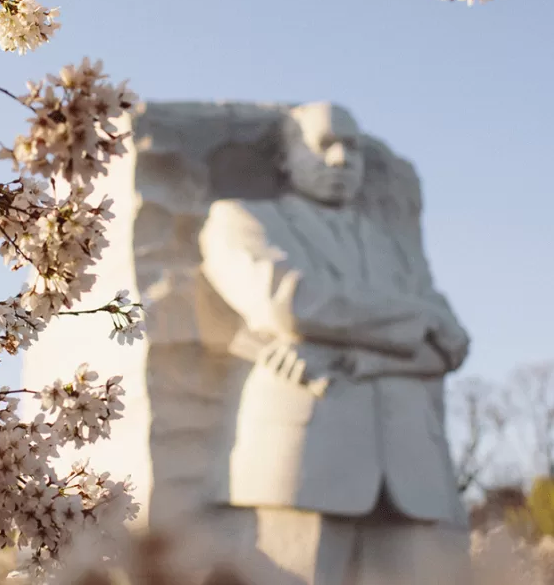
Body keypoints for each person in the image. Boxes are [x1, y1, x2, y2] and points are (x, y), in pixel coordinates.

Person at [197, 102, 471, 585]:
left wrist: (360, 353)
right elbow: (289, 303)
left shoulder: (391, 243)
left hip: (412, 468)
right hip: (306, 456)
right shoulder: (240, 218)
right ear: (284, 159)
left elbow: (451, 343)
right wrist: (416, 318)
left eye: (353, 148)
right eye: (324, 145)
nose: (343, 159)